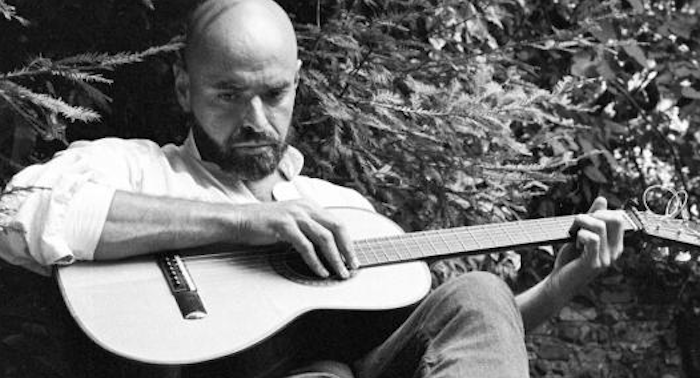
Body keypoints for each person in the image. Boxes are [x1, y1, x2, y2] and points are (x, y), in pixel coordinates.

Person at [0, 0, 626, 377]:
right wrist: (245, 225)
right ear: (184, 88)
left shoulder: (347, 213)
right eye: (227, 94)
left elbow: (454, 345)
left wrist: (560, 284)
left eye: (274, 94)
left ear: (297, 81)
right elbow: (17, 215)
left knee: (479, 293)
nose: (255, 120)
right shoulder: (136, 169)